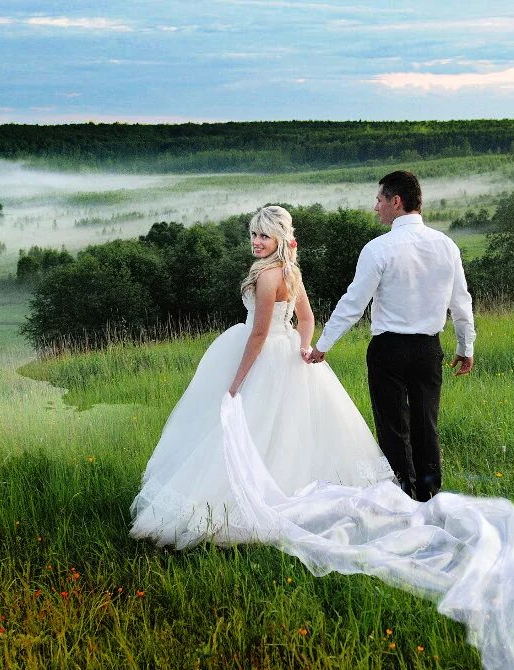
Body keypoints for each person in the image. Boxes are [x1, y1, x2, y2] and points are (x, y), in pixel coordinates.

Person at [130, 205, 393, 549]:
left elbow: (258, 333)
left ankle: (235, 506)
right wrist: (302, 346)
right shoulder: (290, 272)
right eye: (254, 234)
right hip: (285, 353)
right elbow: (307, 320)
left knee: (245, 427)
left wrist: (236, 382)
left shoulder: (269, 276)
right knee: (287, 432)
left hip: (263, 353)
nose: (256, 241)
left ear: (280, 238)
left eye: (264, 235)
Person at [307, 170, 475, 501]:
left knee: (393, 428)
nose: (376, 207)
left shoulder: (378, 248)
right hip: (429, 348)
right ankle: (430, 496)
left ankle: (403, 497)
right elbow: (461, 302)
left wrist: (323, 346)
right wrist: (465, 346)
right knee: (427, 423)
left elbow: (354, 303)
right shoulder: (446, 245)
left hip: (388, 350)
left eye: (379, 200)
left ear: (395, 202)